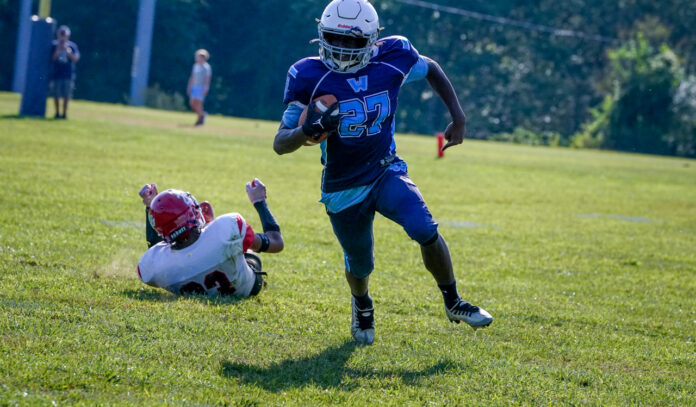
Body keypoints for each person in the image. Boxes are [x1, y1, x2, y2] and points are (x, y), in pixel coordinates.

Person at [273, 0, 492, 345]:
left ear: (373, 40)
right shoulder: (308, 74)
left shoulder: (393, 56)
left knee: (424, 227)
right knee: (360, 263)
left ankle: (453, 301)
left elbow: (431, 68)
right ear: (321, 34)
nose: (342, 48)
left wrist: (458, 115)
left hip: (384, 169)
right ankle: (361, 302)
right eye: (334, 38)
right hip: (343, 185)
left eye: (352, 41)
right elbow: (280, 143)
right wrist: (306, 131)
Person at [136, 179, 283, 297]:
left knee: (224, 244)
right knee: (249, 253)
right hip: (246, 288)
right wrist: (259, 201)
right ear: (192, 213)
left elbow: (157, 251)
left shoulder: (150, 268)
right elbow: (276, 242)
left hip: (189, 275)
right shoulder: (228, 228)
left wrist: (151, 207)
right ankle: (207, 227)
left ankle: (207, 229)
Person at [49, 25, 80, 119]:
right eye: (61, 35)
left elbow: (75, 59)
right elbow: (52, 59)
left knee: (66, 95)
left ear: (68, 36)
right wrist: (58, 50)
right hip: (56, 73)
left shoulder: (72, 46)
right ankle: (57, 113)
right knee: (56, 94)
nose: (62, 37)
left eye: (64, 35)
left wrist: (67, 51)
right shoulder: (54, 45)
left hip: (68, 74)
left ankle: (64, 113)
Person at [186, 49, 212, 126]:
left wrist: (206, 88)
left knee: (199, 104)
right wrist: (189, 87)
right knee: (192, 104)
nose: (200, 58)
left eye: (202, 57)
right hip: (194, 87)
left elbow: (207, 79)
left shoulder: (206, 67)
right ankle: (202, 115)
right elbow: (192, 77)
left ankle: (199, 120)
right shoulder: (195, 66)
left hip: (201, 87)